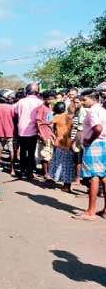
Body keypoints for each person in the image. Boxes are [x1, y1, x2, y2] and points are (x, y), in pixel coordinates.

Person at [73, 90, 106, 221]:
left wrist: (89, 140)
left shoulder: (92, 111)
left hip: (94, 145)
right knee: (103, 175)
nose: (82, 102)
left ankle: (90, 211)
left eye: (84, 100)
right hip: (103, 143)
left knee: (94, 177)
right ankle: (104, 210)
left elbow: (97, 128)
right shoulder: (103, 110)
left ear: (92, 99)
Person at [13, 83, 42, 179]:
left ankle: (22, 170)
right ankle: (29, 172)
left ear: (27, 91)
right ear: (37, 92)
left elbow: (14, 113)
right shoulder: (39, 102)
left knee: (22, 151)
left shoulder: (21, 102)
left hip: (21, 130)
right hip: (33, 130)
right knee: (31, 152)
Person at [49, 102, 75, 193]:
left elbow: (47, 124)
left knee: (61, 164)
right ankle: (67, 185)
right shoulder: (69, 117)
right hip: (69, 143)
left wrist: (52, 136)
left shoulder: (57, 117)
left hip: (61, 143)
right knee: (68, 165)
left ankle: (66, 186)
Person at [0, 89, 16, 175]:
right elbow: (14, 118)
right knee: (11, 151)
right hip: (10, 132)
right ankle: (12, 169)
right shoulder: (11, 108)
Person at [68, 95, 87, 184]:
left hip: (80, 138)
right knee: (77, 159)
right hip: (76, 137)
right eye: (74, 102)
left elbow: (80, 128)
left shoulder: (83, 111)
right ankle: (78, 177)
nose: (75, 104)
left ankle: (79, 178)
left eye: (77, 102)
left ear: (82, 102)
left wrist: (75, 140)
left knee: (79, 158)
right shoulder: (77, 111)